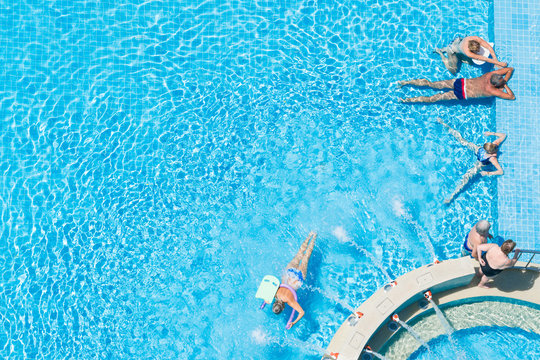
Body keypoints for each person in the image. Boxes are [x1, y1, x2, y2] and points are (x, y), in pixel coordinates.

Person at [436, 118, 506, 203]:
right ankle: (444, 124)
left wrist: (487, 173)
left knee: (466, 178)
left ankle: (451, 198)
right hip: (478, 150)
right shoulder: (494, 145)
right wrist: (491, 133)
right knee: (461, 139)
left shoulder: (493, 158)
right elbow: (503, 135)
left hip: (480, 163)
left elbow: (501, 171)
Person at [272, 231, 317, 328]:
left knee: (306, 258)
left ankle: (314, 238)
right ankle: (309, 235)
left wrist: (293, 322)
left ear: (283, 309)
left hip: (297, 280)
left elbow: (302, 312)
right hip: (288, 274)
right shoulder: (274, 293)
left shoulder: (290, 301)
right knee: (299, 254)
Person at [398, 67, 515, 103]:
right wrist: (504, 85)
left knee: (431, 84)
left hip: (461, 82)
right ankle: (406, 100)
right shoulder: (491, 90)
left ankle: (406, 82)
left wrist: (502, 80)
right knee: (432, 99)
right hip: (463, 93)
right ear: (495, 85)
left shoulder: (490, 74)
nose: (503, 79)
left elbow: (509, 69)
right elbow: (511, 97)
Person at [435, 36, 507, 75]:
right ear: (471, 50)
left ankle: (457, 55)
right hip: (452, 50)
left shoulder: (474, 38)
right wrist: (498, 63)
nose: (479, 51)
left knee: (469, 61)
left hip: (457, 42)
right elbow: (484, 59)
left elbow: (488, 46)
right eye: (476, 51)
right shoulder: (468, 52)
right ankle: (440, 52)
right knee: (453, 71)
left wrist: (495, 59)